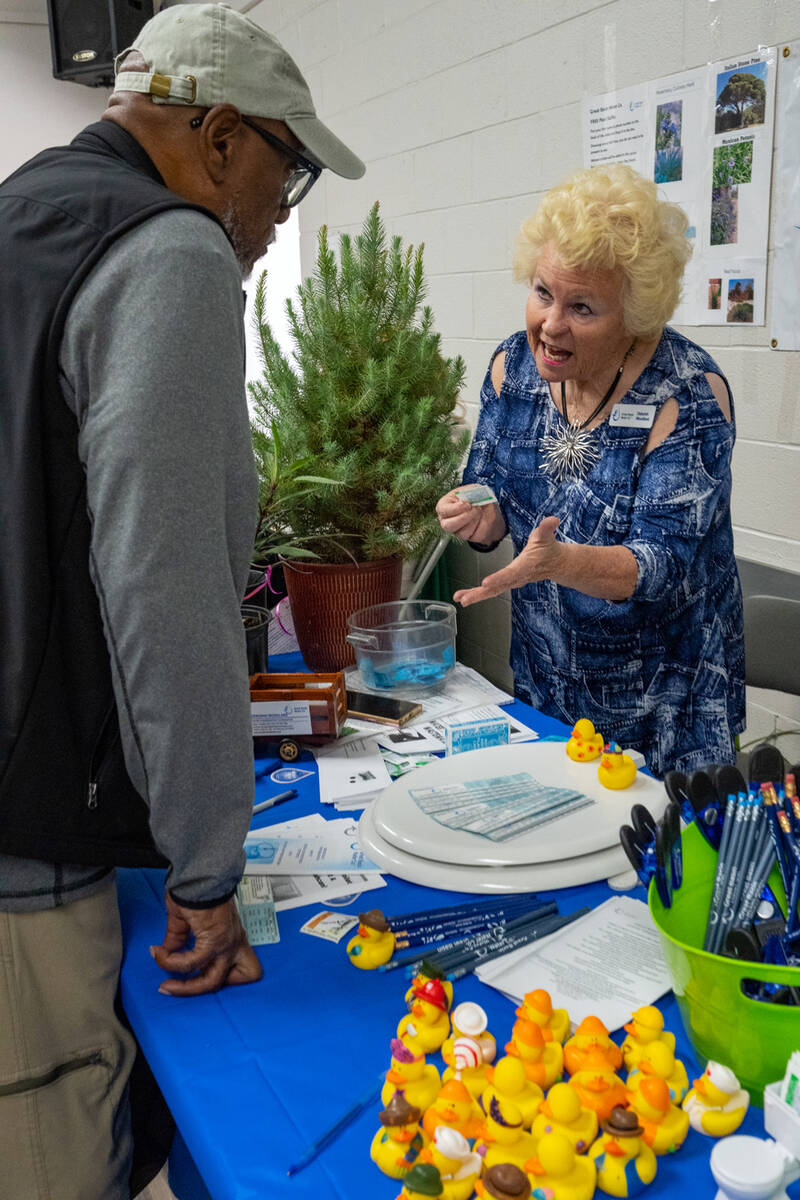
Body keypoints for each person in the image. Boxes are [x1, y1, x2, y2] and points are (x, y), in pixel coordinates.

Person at [0, 5, 364, 1197]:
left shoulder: (26, 212)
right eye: (284, 170)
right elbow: (164, 584)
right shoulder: (169, 251)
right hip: (28, 824)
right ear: (216, 138)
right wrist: (207, 870)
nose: (277, 213)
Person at [437, 164, 744, 778]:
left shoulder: (686, 396)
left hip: (666, 720)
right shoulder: (512, 369)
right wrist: (475, 515)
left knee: (658, 873)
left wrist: (560, 562)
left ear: (634, 314)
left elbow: (661, 567)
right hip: (547, 698)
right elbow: (495, 499)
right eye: (543, 292)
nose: (551, 325)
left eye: (582, 307)